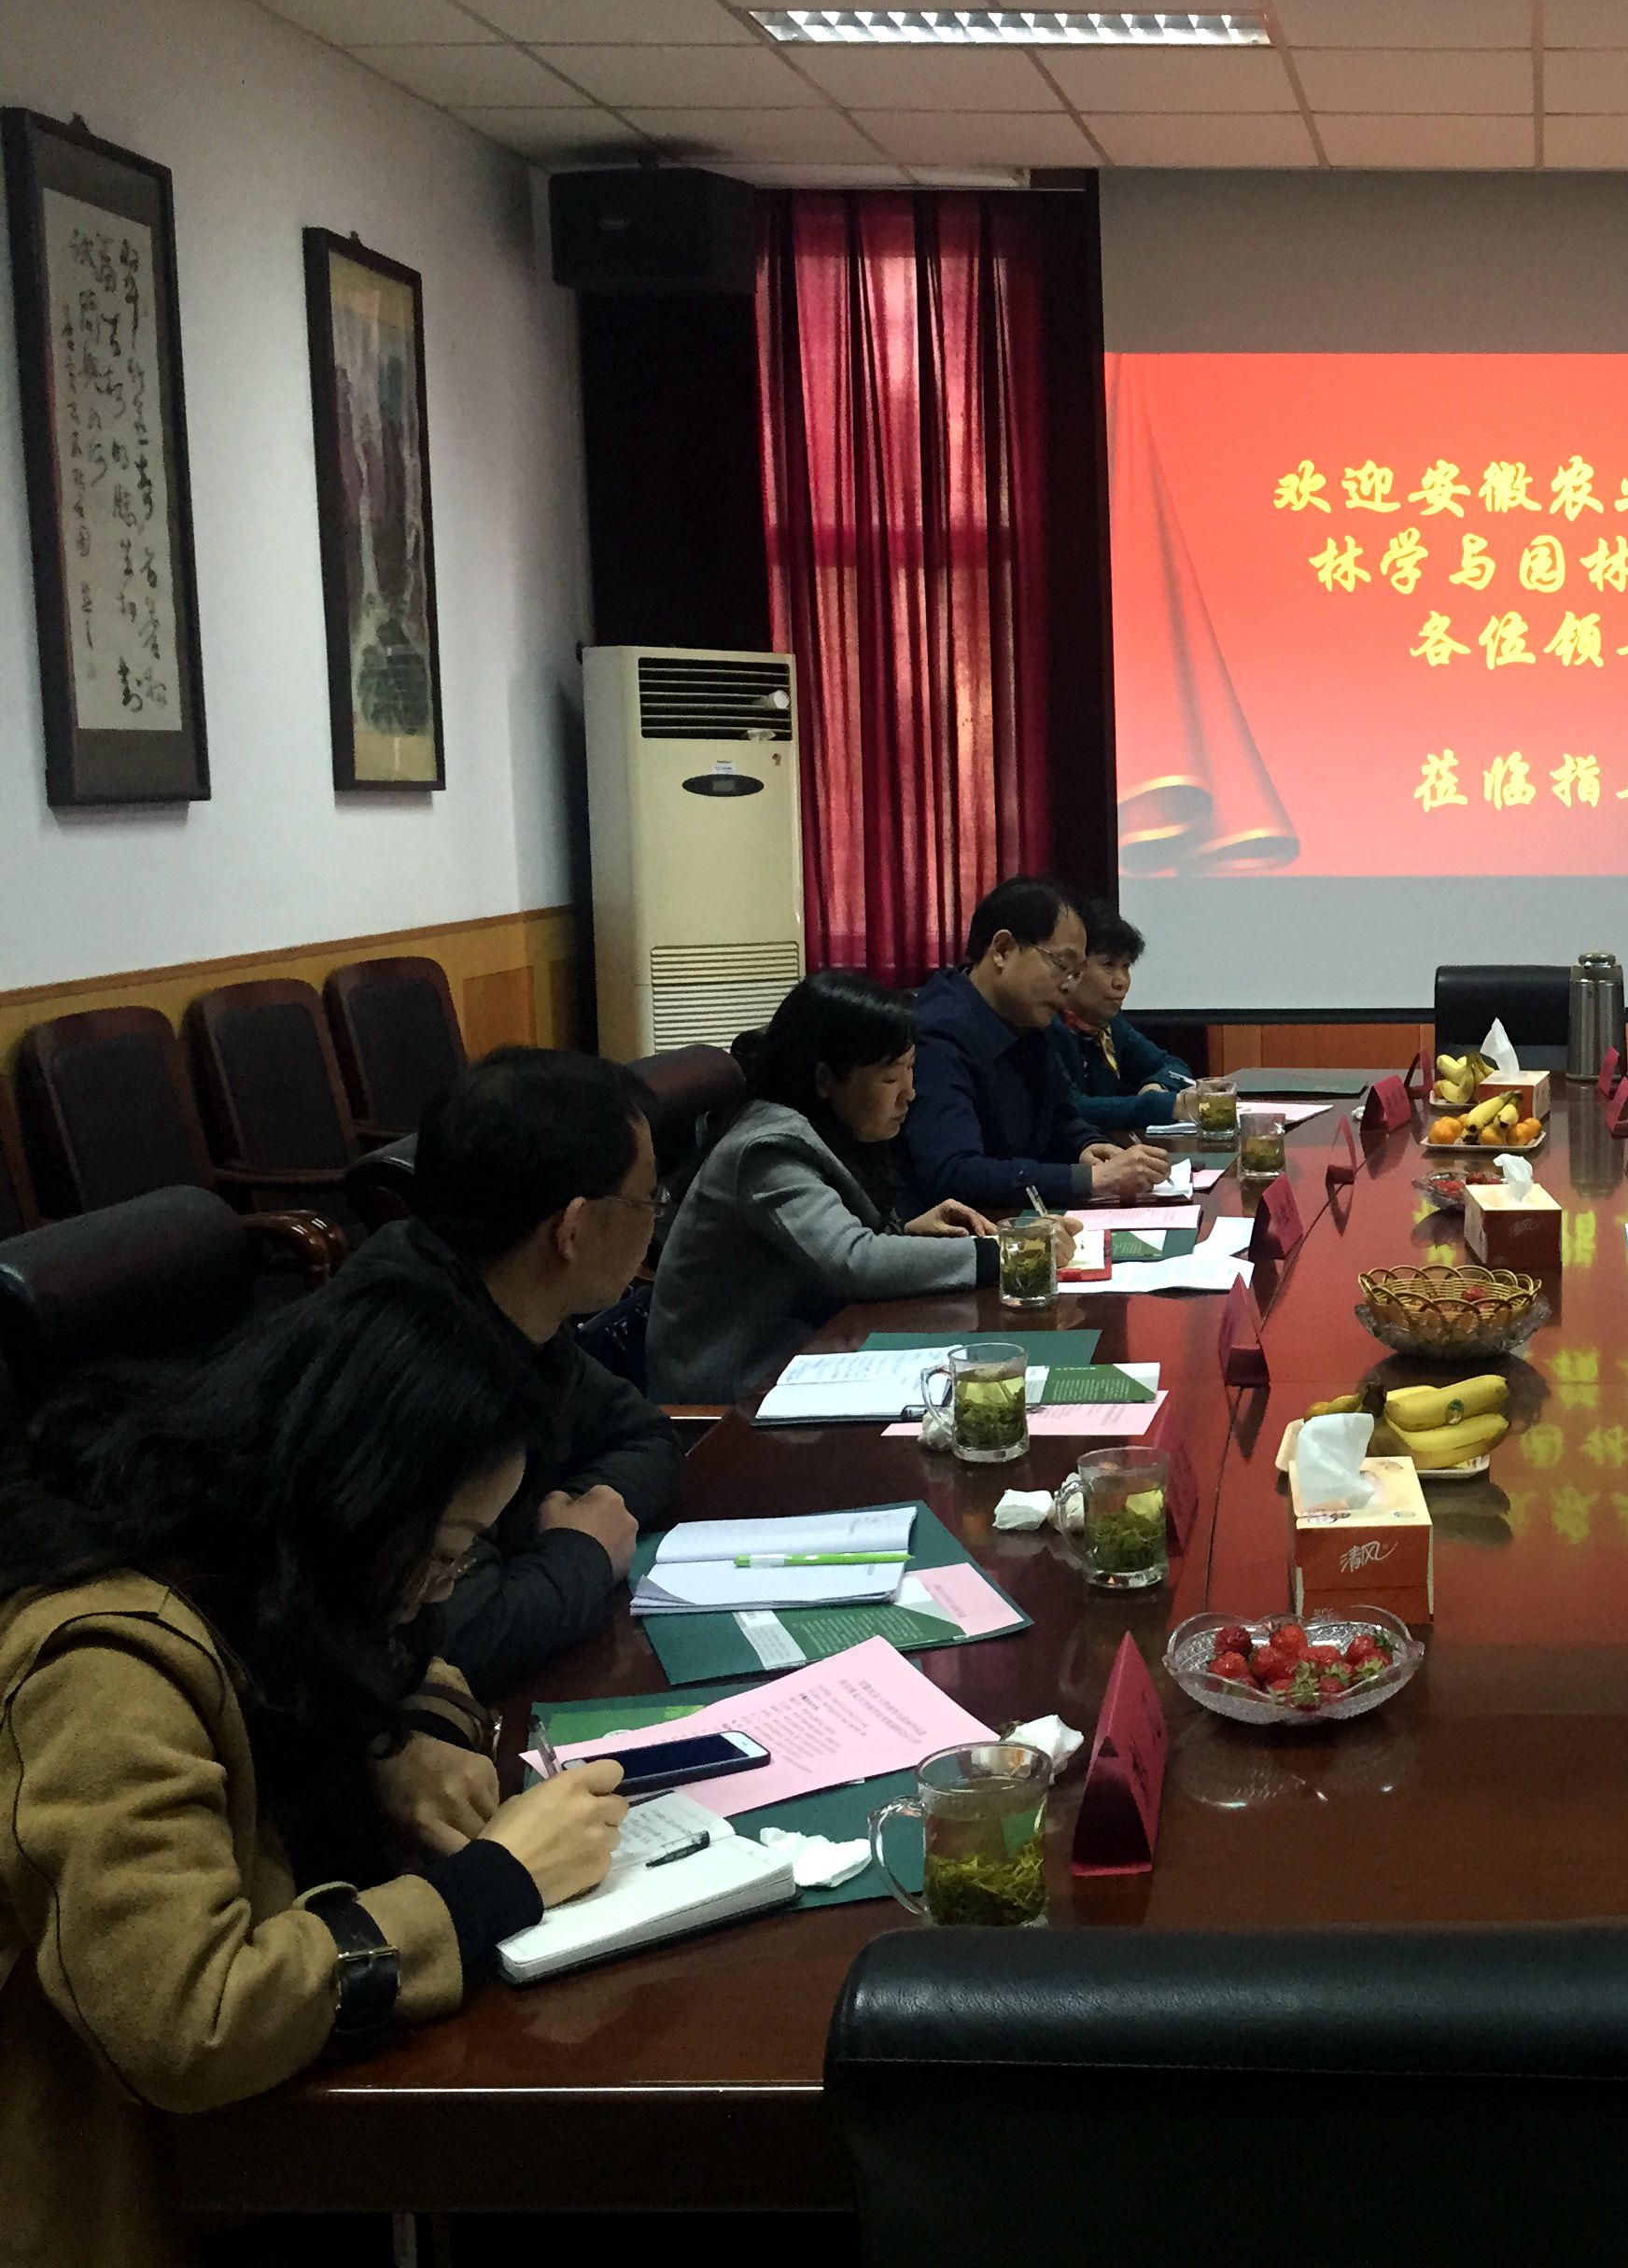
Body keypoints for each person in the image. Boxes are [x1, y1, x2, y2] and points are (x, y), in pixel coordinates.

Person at [0, 1276, 632, 2268]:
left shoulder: (271, 1558)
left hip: (279, 2140)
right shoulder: (105, 1665)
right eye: (448, 1551)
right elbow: (187, 2022)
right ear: (359, 1499)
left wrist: (404, 1740)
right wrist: (491, 1886)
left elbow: (416, 1664)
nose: (445, 1586)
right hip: (155, 2190)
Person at [344, 1048, 684, 1698]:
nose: (654, 1220)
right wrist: (580, 1550)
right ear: (572, 1229)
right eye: (648, 1199)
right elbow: (453, 1639)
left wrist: (563, 1517)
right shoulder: (412, 1367)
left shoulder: (507, 1303)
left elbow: (644, 1436)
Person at [648, 972, 1051, 1407]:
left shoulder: (832, 1130)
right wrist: (1005, 1253)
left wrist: (907, 1232)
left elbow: (838, 1244)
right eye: (891, 1078)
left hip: (808, 1347)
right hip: (737, 1385)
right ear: (825, 1079)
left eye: (911, 1070)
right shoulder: (767, 1148)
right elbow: (853, 1261)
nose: (910, 1094)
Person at [906, 879, 1173, 1211]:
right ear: (1003, 950)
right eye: (1062, 966)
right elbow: (954, 1172)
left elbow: (1061, 1116)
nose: (1068, 986)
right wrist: (1089, 1179)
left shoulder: (1029, 1018)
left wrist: (1087, 1146)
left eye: (1077, 973)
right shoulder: (938, 1032)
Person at [1056, 908, 1197, 1131]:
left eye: (1126, 966)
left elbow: (1173, 1067)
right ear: (1073, 966)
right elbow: (1069, 1108)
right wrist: (1162, 1106)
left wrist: (1158, 1086)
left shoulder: (1110, 1024)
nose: (1121, 981)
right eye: (1108, 965)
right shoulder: (1046, 1025)